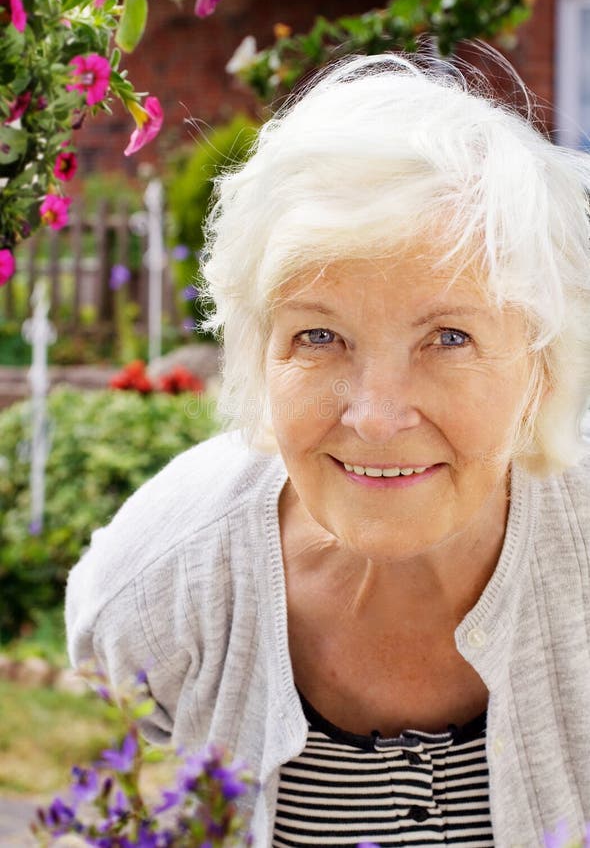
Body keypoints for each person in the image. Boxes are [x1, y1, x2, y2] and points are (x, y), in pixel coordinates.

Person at [66, 50, 590, 848]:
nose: (377, 418)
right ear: (256, 355)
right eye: (319, 335)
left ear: (542, 363)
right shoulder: (155, 600)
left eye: (449, 337)